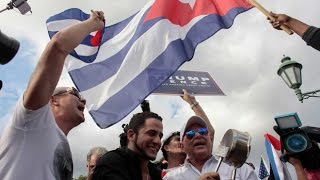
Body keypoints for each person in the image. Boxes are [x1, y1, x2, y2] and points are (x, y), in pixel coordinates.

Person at [0, 11, 105, 180]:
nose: (83, 100)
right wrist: (93, 24)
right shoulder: (32, 120)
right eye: (75, 93)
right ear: (52, 100)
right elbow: (58, 47)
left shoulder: (62, 144)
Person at [163, 116, 258, 180]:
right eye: (190, 134)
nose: (197, 135)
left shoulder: (240, 168)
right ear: (182, 145)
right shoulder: (171, 177)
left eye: (203, 131)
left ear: (209, 138)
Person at [92, 112, 163, 180]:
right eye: (151, 134)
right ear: (131, 135)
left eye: (160, 136)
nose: (158, 141)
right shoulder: (112, 163)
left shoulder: (156, 173)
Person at [160, 89, 213, 172]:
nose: (181, 142)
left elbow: (210, 132)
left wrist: (193, 103)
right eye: (190, 134)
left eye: (202, 131)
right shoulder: (156, 174)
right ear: (167, 148)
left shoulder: (201, 166)